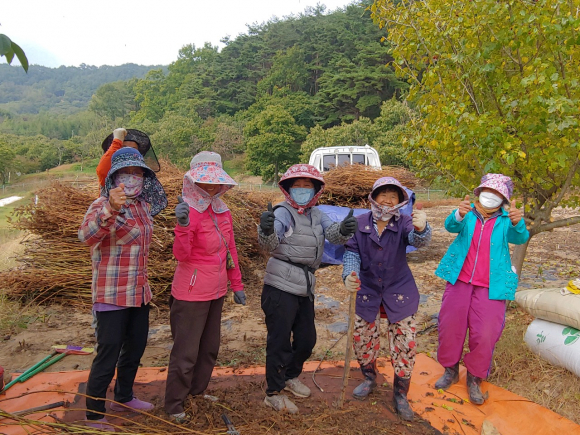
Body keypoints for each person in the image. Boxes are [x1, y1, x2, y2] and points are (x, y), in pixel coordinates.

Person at [79, 147, 168, 431]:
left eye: (137, 172)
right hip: (111, 294)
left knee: (135, 349)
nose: (132, 178)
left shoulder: (142, 206)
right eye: (125, 173)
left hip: (139, 292)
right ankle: (94, 414)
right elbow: (86, 236)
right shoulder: (101, 204)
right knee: (108, 354)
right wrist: (111, 209)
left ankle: (124, 397)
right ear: (114, 177)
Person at [257, 164, 358, 414]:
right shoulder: (283, 212)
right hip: (280, 285)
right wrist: (266, 229)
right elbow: (270, 243)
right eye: (297, 186)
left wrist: (343, 230)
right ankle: (273, 392)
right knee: (279, 341)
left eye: (307, 186)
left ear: (315, 190)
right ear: (288, 189)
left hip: (305, 284)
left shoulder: (317, 214)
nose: (302, 190)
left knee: (306, 339)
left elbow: (333, 234)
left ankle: (290, 376)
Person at [164, 151, 245, 422]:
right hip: (191, 294)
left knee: (209, 348)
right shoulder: (189, 211)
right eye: (204, 181)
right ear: (193, 182)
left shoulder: (222, 210)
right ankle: (174, 403)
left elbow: (230, 250)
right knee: (186, 353)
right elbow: (181, 255)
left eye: (214, 181)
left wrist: (237, 284)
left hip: (217, 291)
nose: (210, 186)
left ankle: (196, 392)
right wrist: (183, 226)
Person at [434, 173, 528, 404]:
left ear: (503, 199)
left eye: (497, 193)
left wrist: (518, 223)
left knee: (486, 332)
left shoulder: (506, 219)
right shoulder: (468, 214)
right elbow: (450, 226)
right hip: (459, 280)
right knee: (450, 326)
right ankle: (450, 370)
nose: (491, 196)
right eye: (488, 191)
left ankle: (474, 378)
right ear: (480, 193)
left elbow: (520, 237)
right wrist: (458, 214)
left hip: (491, 286)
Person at [342, 177, 431, 421]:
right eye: (384, 194)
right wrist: (349, 275)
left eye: (394, 196)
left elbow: (418, 240)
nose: (388, 200)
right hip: (367, 289)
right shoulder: (360, 223)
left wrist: (422, 228)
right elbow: (351, 253)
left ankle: (400, 394)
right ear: (373, 197)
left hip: (399, 290)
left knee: (405, 342)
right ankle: (369, 378)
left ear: (400, 201)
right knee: (362, 338)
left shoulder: (404, 222)